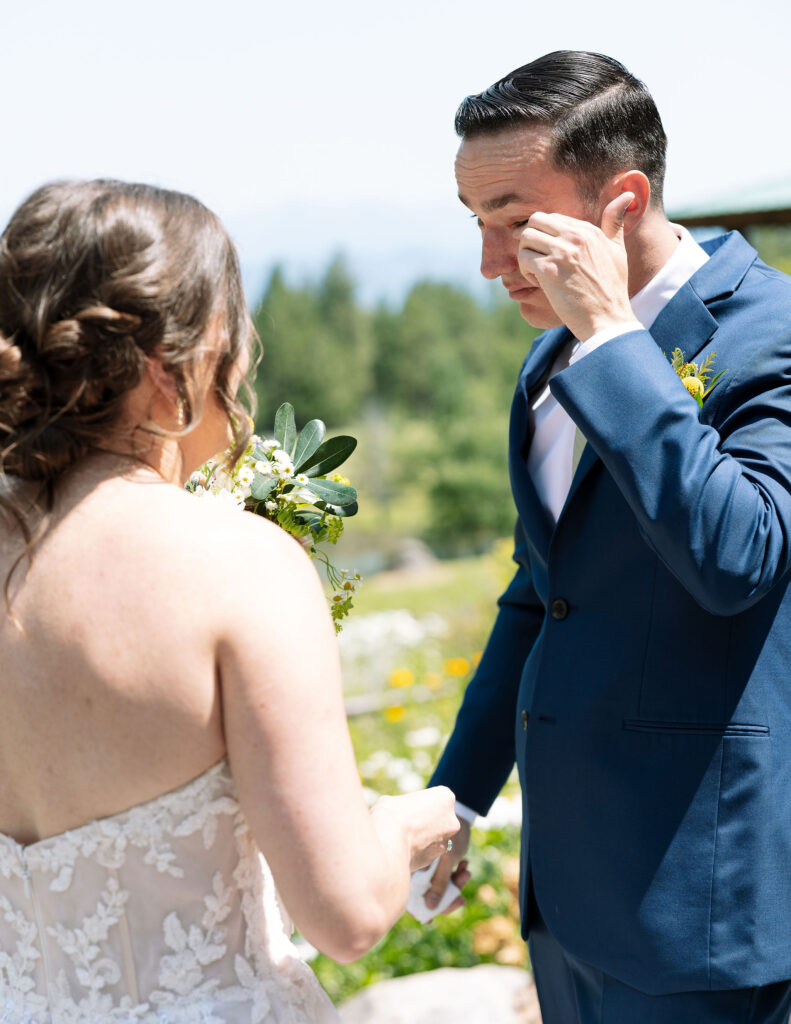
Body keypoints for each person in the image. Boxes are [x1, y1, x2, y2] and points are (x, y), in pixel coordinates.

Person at [0, 179, 459, 1023]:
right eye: (231, 335)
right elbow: (347, 913)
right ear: (165, 365)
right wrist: (405, 821)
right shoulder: (236, 564)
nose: (242, 364)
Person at [424, 50, 791, 1023]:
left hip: (704, 921)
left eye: (513, 222)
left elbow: (737, 557)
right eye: (475, 225)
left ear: (620, 200)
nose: (488, 265)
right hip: (567, 910)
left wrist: (615, 345)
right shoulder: (546, 364)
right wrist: (454, 798)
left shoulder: (771, 332)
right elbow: (538, 595)